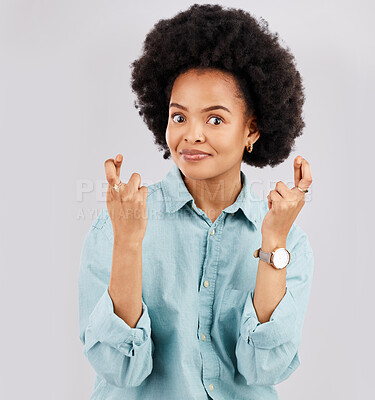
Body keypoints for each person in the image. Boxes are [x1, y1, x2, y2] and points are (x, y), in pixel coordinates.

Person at [78, 4, 314, 399]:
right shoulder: (117, 224)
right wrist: (129, 243)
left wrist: (273, 241)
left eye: (215, 119)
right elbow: (119, 370)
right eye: (179, 117)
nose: (191, 136)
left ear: (251, 129)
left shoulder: (290, 242)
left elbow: (264, 368)